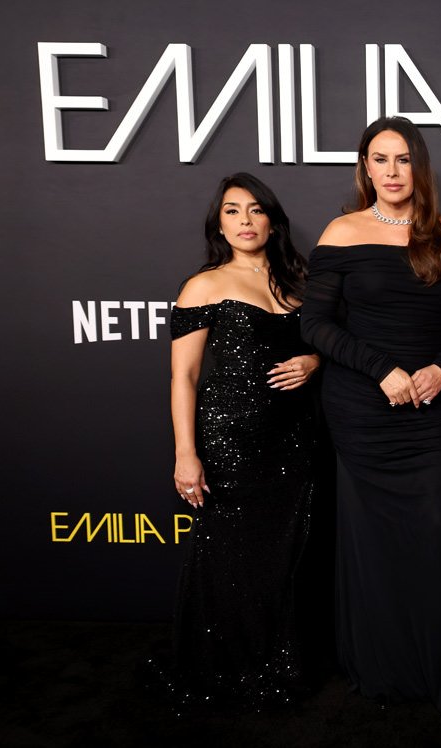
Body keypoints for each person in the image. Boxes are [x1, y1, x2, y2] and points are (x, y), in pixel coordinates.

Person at [299, 116, 441, 714]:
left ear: (419, 167)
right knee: (372, 543)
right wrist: (381, 369)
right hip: (362, 409)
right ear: (365, 168)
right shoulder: (342, 232)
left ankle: (438, 669)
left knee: (430, 540)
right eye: (380, 160)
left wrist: (439, 369)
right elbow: (316, 325)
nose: (391, 171)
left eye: (403, 159)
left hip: (429, 411)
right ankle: (380, 667)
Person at [168, 172, 320, 708]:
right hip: (231, 438)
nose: (245, 221)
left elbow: (329, 340)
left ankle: (281, 659)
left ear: (273, 220)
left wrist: (314, 358)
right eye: (233, 211)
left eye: (255, 210)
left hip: (297, 439)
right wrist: (187, 455)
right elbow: (183, 377)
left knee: (288, 554)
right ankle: (231, 664)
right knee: (233, 555)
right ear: (220, 223)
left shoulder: (300, 281)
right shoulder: (204, 284)